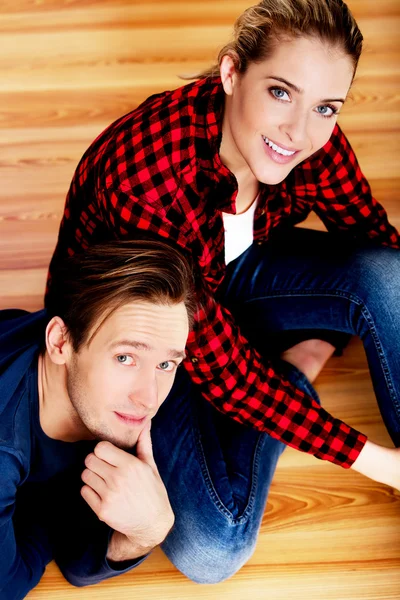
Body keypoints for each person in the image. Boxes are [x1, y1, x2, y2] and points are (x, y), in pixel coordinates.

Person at [46, 0, 400, 583]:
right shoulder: (151, 180)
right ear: (232, 73)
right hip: (145, 341)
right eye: (281, 93)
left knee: (387, 273)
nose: (299, 132)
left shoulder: (309, 140)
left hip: (226, 280)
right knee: (214, 548)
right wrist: (381, 465)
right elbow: (226, 372)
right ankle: (294, 370)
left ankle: (286, 373)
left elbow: (372, 241)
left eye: (325, 107)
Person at [0, 238, 195, 599]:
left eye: (166, 364)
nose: (149, 398)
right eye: (125, 358)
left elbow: (78, 559)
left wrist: (146, 531)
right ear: (60, 342)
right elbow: (7, 584)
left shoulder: (104, 401)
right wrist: (52, 511)